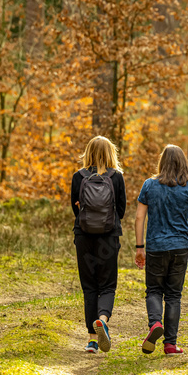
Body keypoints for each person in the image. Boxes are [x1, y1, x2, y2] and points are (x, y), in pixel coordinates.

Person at [134, 144, 188, 355]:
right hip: (179, 248)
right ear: (184, 162)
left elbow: (139, 217)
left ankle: (155, 324)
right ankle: (170, 344)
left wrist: (140, 247)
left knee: (154, 290)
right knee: (174, 295)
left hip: (155, 246)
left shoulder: (149, 185)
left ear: (162, 162)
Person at [71, 136, 126, 353]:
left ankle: (92, 340)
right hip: (109, 237)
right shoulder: (116, 177)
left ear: (88, 152)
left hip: (84, 237)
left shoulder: (78, 176)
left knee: (89, 287)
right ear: (111, 153)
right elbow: (120, 211)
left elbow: (75, 209)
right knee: (108, 285)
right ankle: (102, 319)